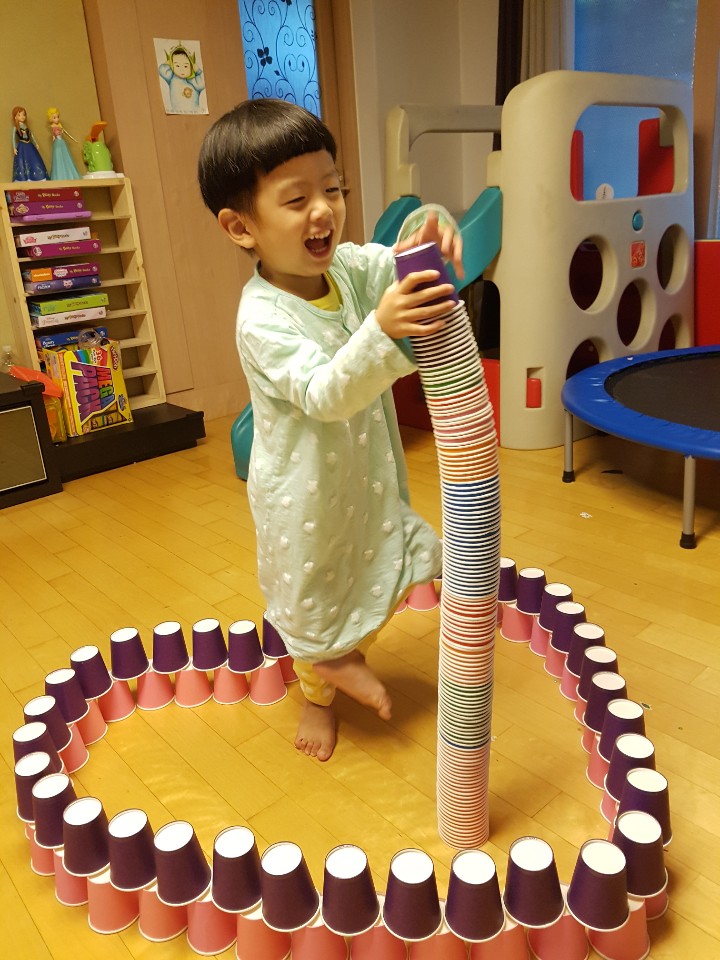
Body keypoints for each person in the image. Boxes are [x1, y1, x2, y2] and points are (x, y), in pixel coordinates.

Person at [198, 98, 463, 761]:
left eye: (333, 189)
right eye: (296, 200)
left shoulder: (343, 267)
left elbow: (393, 258)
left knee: (382, 561)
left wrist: (431, 228)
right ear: (240, 227)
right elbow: (323, 393)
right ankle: (322, 686)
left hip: (362, 476)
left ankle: (343, 652)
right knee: (315, 595)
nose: (323, 210)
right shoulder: (262, 318)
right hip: (304, 496)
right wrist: (382, 330)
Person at [11, 106, 48, 182]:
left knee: (33, 159)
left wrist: (36, 143)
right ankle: (25, 178)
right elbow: (13, 138)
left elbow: (31, 135)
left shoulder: (26, 126)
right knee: (23, 161)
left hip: (30, 145)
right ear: (15, 117)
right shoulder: (15, 128)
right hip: (22, 147)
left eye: (23, 115)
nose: (22, 117)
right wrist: (14, 148)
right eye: (19, 115)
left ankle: (37, 176)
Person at [47, 108, 80, 180]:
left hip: (61, 142)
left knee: (66, 157)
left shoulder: (60, 126)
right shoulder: (53, 127)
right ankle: (59, 175)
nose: (57, 119)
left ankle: (68, 174)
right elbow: (53, 136)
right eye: (54, 117)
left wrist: (74, 139)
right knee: (58, 158)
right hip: (57, 143)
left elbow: (67, 134)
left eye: (57, 117)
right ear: (51, 119)